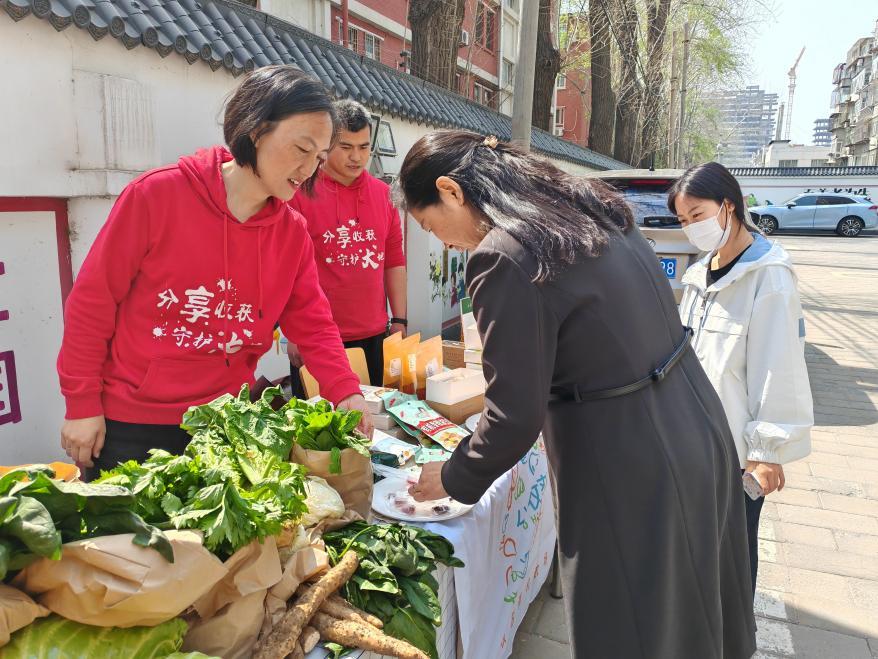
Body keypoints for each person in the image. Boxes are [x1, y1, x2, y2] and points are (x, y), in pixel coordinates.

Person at [403, 131, 756, 658]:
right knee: (694, 605)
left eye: (432, 227)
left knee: (633, 621)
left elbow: (513, 415)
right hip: (694, 418)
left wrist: (455, 476)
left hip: (628, 454)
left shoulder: (503, 254)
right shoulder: (591, 209)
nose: (445, 244)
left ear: (452, 191)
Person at [58, 66, 373, 478]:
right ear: (256, 130)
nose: (310, 169)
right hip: (132, 423)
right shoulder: (157, 196)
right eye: (301, 148)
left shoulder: (291, 232)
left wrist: (345, 391)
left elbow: (313, 323)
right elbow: (91, 303)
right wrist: (81, 405)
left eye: (318, 157)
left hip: (225, 422)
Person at [670, 162, 813, 597]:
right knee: (694, 553)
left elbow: (779, 367)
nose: (691, 227)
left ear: (728, 206)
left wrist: (767, 452)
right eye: (682, 220)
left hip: (736, 453)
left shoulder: (768, 277)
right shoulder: (699, 274)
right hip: (692, 445)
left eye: (697, 215)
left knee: (732, 559)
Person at [287, 100, 407, 391]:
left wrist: (400, 320)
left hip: (376, 334)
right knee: (318, 429)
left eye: (364, 147)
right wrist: (291, 335)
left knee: (374, 425)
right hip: (318, 337)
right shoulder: (300, 194)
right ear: (327, 145)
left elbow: (394, 261)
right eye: (346, 147)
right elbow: (286, 268)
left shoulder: (383, 195)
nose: (357, 157)